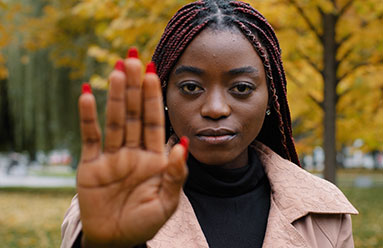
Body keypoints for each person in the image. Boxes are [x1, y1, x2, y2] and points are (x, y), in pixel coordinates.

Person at [61, 0, 358, 247]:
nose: (215, 109)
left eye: (241, 88)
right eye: (191, 87)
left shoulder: (324, 212)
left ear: (271, 99)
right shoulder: (108, 207)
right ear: (164, 93)